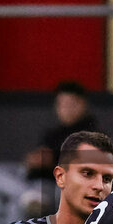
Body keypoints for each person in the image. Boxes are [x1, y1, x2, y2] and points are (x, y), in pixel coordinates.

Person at [21, 81, 100, 215]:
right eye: (61, 104)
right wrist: (34, 161)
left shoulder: (92, 134)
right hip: (35, 180)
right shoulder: (53, 134)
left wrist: (52, 160)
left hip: (60, 186)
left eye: (70, 104)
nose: (65, 109)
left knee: (35, 197)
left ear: (82, 105)